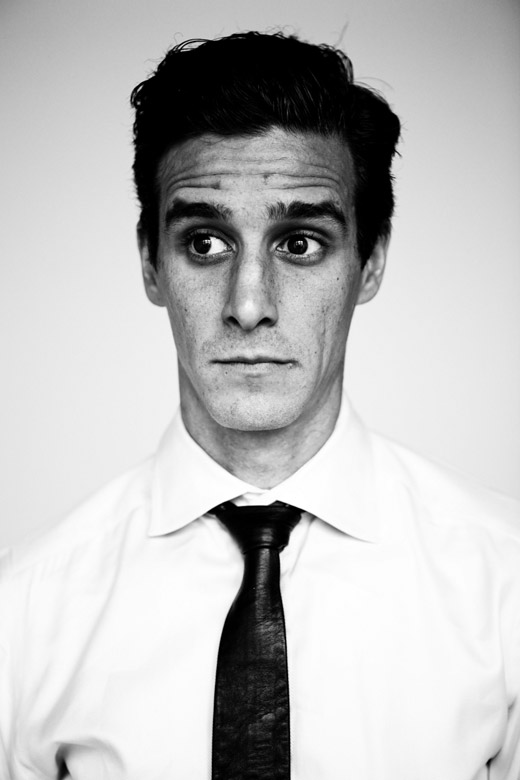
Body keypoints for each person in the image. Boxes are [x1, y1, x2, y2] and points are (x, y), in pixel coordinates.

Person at [0, 31, 519, 780]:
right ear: (150, 262)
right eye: (205, 243)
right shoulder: (23, 611)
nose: (248, 305)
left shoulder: (505, 587)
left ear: (371, 262)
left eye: (300, 243)